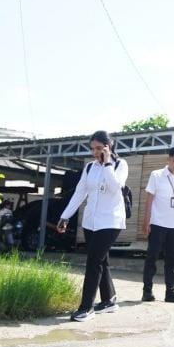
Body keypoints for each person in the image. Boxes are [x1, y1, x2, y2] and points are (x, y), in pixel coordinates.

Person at [57, 130, 128, 322]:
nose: (95, 152)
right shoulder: (89, 168)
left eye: (99, 148)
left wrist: (106, 165)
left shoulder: (120, 165)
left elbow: (115, 187)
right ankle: (109, 300)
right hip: (90, 222)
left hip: (111, 221)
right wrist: (65, 216)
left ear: (109, 146)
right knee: (100, 259)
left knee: (93, 261)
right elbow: (80, 193)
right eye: (92, 149)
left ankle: (86, 307)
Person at [141, 147, 174, 303]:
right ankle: (147, 291)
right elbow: (149, 200)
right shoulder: (157, 175)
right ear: (168, 159)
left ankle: (171, 291)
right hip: (157, 223)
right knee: (152, 258)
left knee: (171, 259)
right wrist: (146, 221)